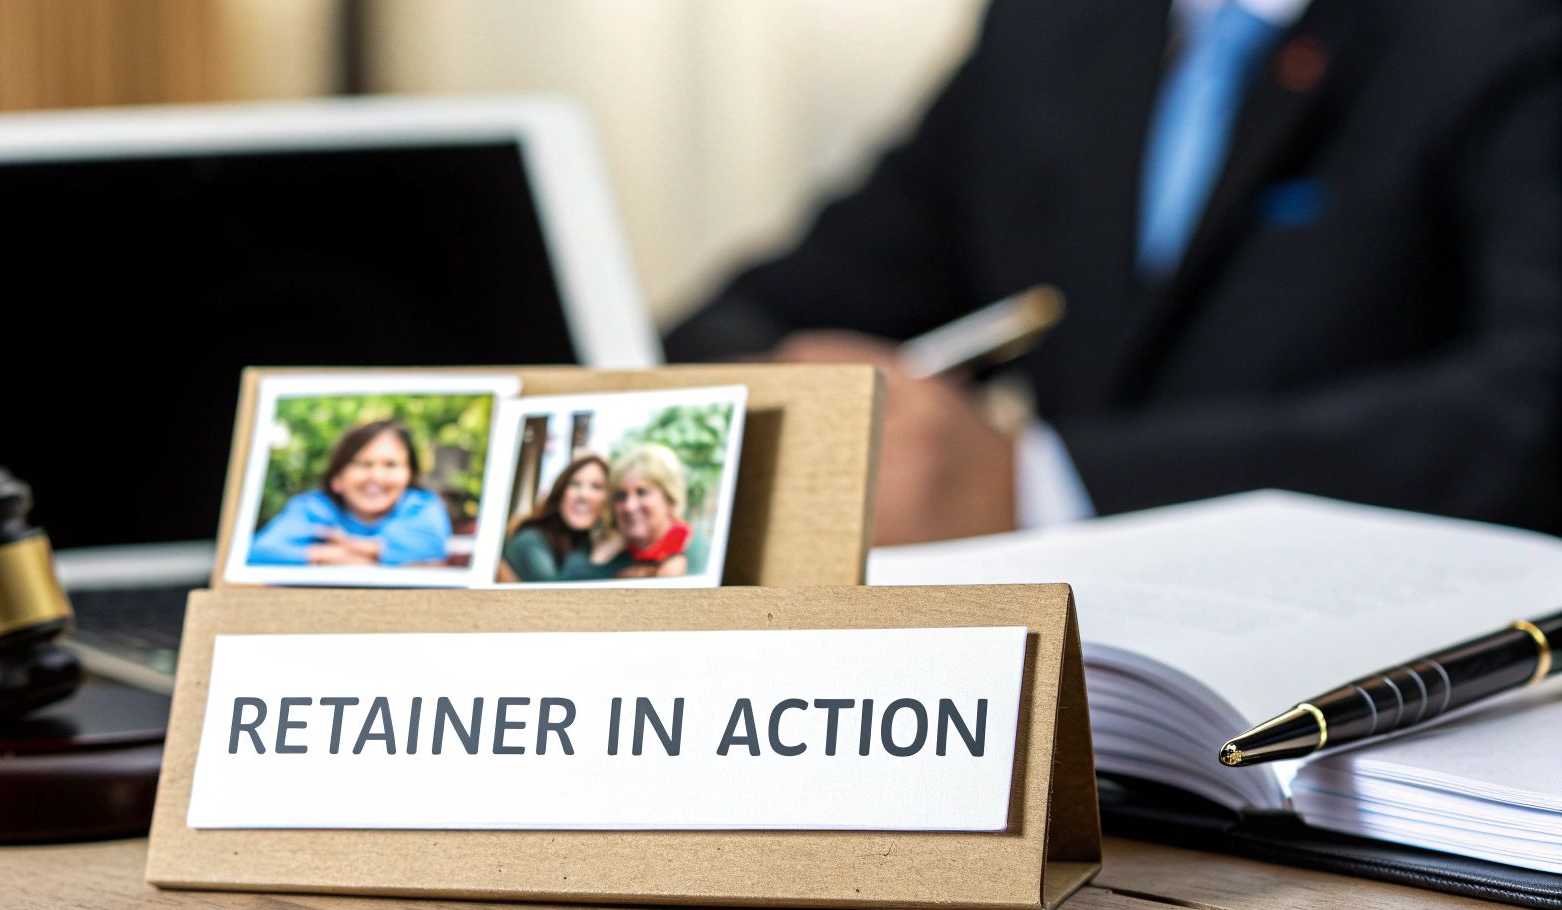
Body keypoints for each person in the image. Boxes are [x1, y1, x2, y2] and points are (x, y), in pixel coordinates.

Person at [666, 0, 1562, 543]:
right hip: (1089, 691)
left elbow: (1533, 405)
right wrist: (806, 408)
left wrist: (1033, 484)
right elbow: (765, 311)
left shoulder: (1505, 35)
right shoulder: (1054, 29)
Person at [248, 419, 452, 567]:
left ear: (409, 475)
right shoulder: (313, 507)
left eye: (391, 465)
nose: (376, 477)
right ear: (338, 479)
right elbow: (257, 551)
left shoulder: (421, 505)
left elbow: (431, 546)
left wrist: (351, 544)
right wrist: (329, 555)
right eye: (363, 464)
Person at [497, 453, 619, 582]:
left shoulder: (591, 543)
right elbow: (556, 595)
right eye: (575, 484)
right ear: (561, 493)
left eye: (596, 487)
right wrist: (598, 558)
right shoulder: (530, 540)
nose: (583, 494)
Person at [592, 444, 707, 578]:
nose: (629, 506)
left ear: (670, 499)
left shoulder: (699, 554)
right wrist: (598, 564)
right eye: (621, 496)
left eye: (642, 492)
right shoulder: (610, 554)